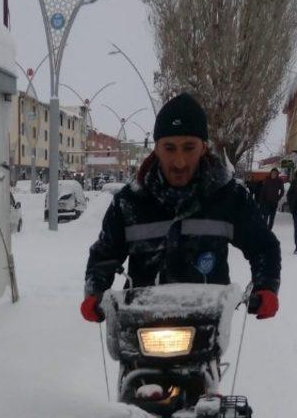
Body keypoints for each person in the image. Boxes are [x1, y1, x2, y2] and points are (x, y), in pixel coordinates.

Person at [80, 93, 281, 323]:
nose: (179, 161)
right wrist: (95, 293)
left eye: (189, 147)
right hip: (142, 322)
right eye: (169, 148)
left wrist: (266, 286)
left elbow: (263, 246)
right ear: (156, 148)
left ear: (204, 147)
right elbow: (103, 255)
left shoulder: (228, 197)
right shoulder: (129, 202)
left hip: (206, 321)